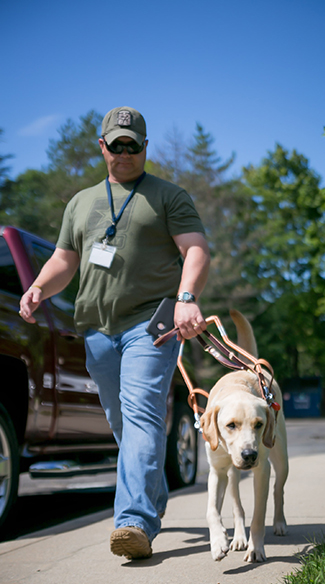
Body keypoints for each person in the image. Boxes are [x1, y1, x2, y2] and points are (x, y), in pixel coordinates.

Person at [19, 106, 210, 560]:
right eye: (116, 144)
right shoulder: (81, 202)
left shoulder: (168, 196)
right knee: (124, 424)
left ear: (146, 147)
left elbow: (196, 250)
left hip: (152, 325)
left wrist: (186, 299)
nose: (124, 153)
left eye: (133, 145)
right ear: (102, 146)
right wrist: (39, 288)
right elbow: (65, 261)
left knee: (142, 414)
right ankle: (153, 494)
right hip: (97, 331)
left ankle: (133, 522)